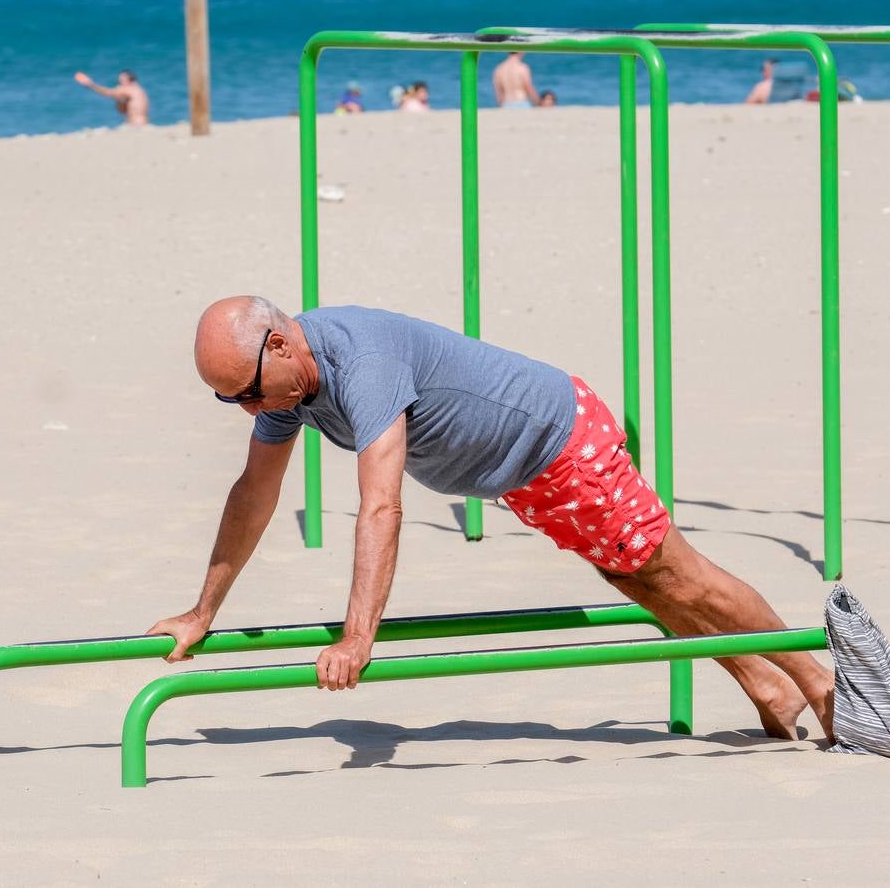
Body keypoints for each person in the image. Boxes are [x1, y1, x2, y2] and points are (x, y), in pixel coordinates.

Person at [147, 297, 837, 742]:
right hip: (522, 474)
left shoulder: (363, 362)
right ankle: (768, 685)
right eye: (226, 400)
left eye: (244, 392)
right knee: (643, 583)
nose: (246, 410)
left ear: (278, 346)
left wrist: (359, 639)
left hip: (559, 441)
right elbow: (254, 493)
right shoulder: (286, 390)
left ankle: (819, 685)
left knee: (679, 575)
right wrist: (201, 612)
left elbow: (382, 506)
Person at [73, 69, 149, 126]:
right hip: (142, 123)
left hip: (136, 125)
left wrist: (91, 84)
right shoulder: (139, 90)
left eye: (121, 81)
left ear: (129, 80)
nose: (119, 85)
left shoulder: (130, 89)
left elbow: (108, 92)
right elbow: (122, 111)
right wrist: (119, 101)